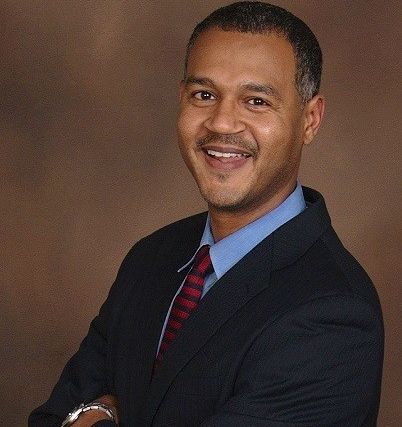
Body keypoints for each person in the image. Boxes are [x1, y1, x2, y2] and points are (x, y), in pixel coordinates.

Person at [29, 2, 384, 426]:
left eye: (256, 101)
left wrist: (95, 415)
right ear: (181, 98)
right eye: (204, 95)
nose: (222, 123)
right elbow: (50, 418)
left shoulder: (333, 314)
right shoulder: (151, 257)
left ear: (310, 119)